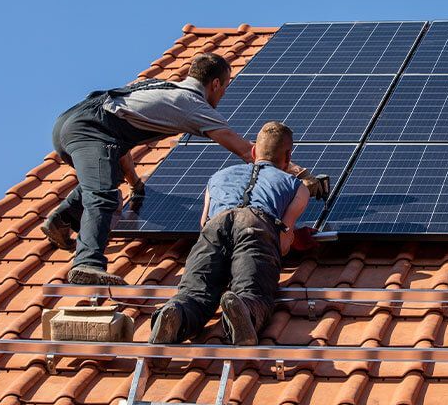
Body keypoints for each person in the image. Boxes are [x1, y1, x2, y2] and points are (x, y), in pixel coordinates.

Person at [44, 53, 323, 285]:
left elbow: (117, 147)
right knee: (103, 196)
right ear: (215, 83)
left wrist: (135, 184)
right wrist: (300, 174)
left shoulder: (159, 86)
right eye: (225, 86)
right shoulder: (192, 105)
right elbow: (246, 150)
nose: (224, 93)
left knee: (104, 177)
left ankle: (62, 220)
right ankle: (87, 265)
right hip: (90, 129)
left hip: (74, 122)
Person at [148, 121, 316, 346]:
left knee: (194, 293)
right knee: (253, 291)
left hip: (216, 225)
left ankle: (177, 313)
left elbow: (203, 224)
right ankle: (244, 309)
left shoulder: (217, 177)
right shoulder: (296, 186)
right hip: (256, 225)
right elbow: (283, 241)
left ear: (254, 151)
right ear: (288, 157)